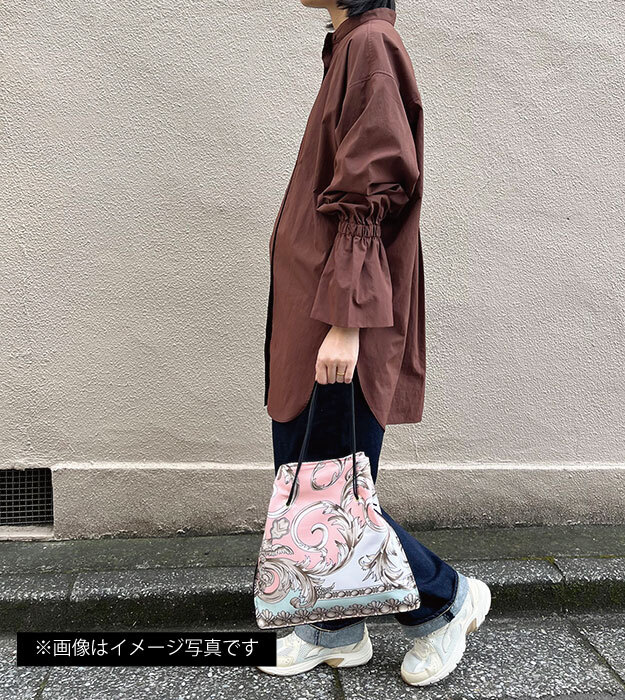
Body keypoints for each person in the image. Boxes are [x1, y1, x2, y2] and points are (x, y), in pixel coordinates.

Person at [257, 0, 491, 687]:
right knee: (310, 479)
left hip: (337, 318)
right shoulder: (348, 44)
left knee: (335, 494)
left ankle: (446, 602)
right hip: (314, 313)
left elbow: (374, 187)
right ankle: (335, 628)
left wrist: (346, 321)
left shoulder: (371, 47)